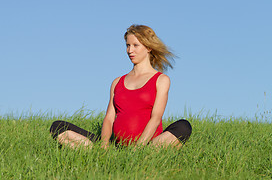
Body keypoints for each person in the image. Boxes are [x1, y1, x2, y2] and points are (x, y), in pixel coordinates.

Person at [50, 24, 192, 149]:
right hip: (116, 146)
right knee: (57, 126)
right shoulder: (117, 82)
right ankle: (98, 153)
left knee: (184, 126)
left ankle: (147, 154)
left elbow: (155, 118)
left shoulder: (161, 80)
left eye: (135, 45)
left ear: (148, 47)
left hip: (147, 144)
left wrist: (139, 147)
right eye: (128, 45)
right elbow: (109, 118)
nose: (130, 50)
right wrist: (105, 145)